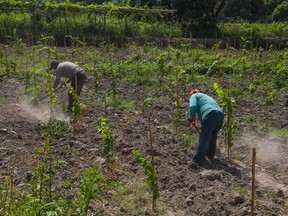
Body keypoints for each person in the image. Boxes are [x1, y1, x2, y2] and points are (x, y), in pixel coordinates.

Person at [187, 89, 224, 166]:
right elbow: (203, 116)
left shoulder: (194, 96)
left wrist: (191, 118)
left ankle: (197, 160)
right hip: (220, 115)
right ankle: (210, 156)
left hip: (210, 114)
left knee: (204, 137)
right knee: (212, 137)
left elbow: (193, 107)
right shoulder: (205, 98)